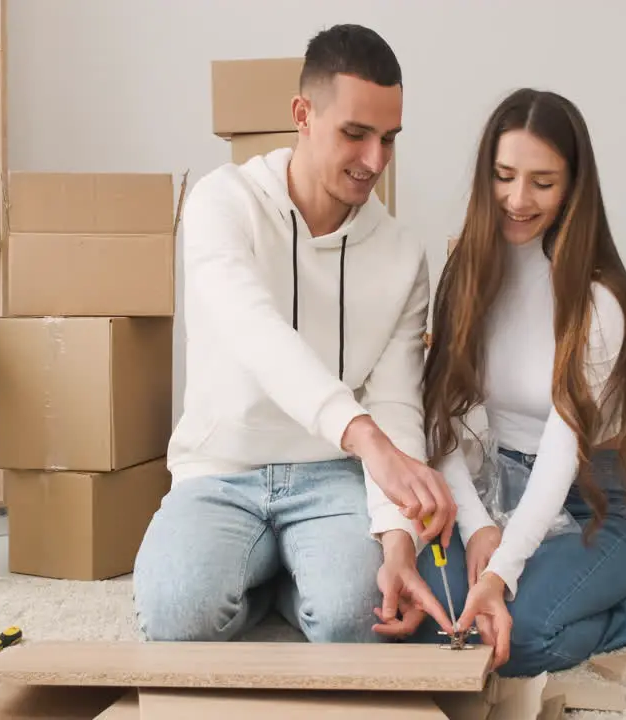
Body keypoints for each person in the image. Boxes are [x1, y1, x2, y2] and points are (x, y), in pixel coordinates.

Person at [132, 24, 459, 646]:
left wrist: (398, 540)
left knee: (359, 620)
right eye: (355, 134)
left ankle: (297, 585)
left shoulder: (400, 253)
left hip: (332, 476)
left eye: (388, 139)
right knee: (175, 617)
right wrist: (364, 436)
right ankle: (271, 583)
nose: (375, 161)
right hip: (220, 469)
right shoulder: (220, 202)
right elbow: (255, 332)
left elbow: (395, 400)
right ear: (302, 115)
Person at [414, 88, 626, 716]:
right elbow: (443, 421)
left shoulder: (596, 298)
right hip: (491, 486)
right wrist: (479, 525)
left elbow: (563, 453)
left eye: (542, 182)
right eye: (504, 177)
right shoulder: (469, 271)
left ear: (572, 188)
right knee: (438, 626)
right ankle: (540, 587)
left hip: (589, 506)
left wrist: (500, 570)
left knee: (520, 636)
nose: (517, 199)